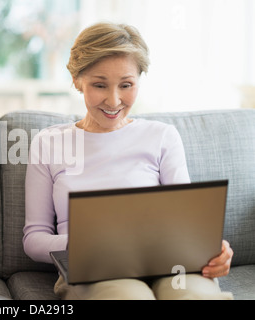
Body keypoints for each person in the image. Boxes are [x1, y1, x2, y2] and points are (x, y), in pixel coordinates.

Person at [23, 23, 234, 300]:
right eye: (99, 85)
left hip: (171, 266)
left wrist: (214, 249)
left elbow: (187, 225)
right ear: (77, 80)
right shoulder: (48, 143)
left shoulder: (162, 136)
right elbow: (34, 239)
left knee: (193, 295)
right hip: (95, 270)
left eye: (126, 85)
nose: (114, 100)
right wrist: (92, 243)